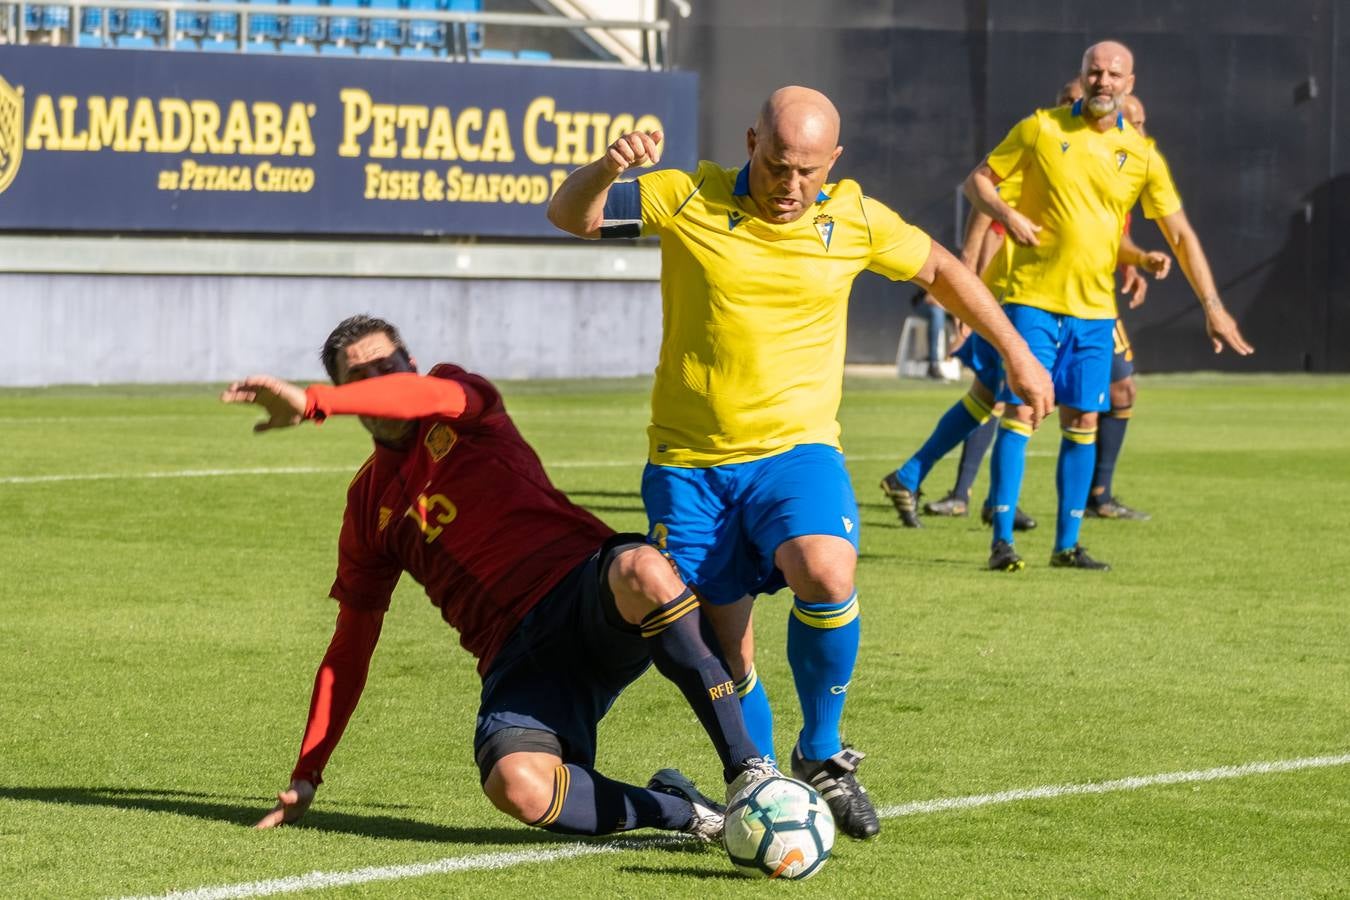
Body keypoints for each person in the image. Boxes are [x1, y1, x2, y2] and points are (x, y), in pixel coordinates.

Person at [546, 86, 1053, 838]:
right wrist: (605, 166)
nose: (791, 186)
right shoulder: (686, 197)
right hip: (691, 465)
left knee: (827, 568)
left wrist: (1014, 352)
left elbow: (943, 270)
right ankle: (759, 780)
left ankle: (821, 755)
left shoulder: (854, 217)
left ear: (834, 162)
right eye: (779, 164)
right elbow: (571, 215)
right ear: (751, 141)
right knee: (726, 646)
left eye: (809, 171)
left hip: (796, 452)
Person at [225, 315, 778, 841]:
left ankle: (749, 773)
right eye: (358, 377)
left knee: (642, 568)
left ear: (411, 363)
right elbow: (351, 646)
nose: (378, 382)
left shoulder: (455, 395)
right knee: (518, 786)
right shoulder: (368, 502)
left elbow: (416, 395)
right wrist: (307, 774)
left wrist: (316, 402)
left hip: (585, 589)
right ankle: (689, 813)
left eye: (387, 366)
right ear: (345, 389)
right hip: (518, 658)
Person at [965, 41, 1253, 573]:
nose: (1103, 81)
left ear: (1130, 83)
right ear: (1082, 76)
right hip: (1031, 301)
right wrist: (1010, 212)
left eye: (1113, 73)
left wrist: (1212, 305)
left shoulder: (1141, 155)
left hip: (1096, 313)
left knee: (1083, 420)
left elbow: (1182, 235)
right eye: (1094, 71)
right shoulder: (1040, 129)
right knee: (1023, 410)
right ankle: (1001, 540)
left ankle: (1067, 545)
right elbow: (977, 182)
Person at [1087, 92, 1154, 520]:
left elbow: (1110, 235)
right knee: (1010, 399)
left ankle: (1099, 495)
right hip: (1069, 295)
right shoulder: (1089, 160)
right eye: (1135, 121)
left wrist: (1132, 261)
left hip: (1095, 289)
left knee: (1120, 389)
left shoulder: (1126, 166)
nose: (1144, 132)